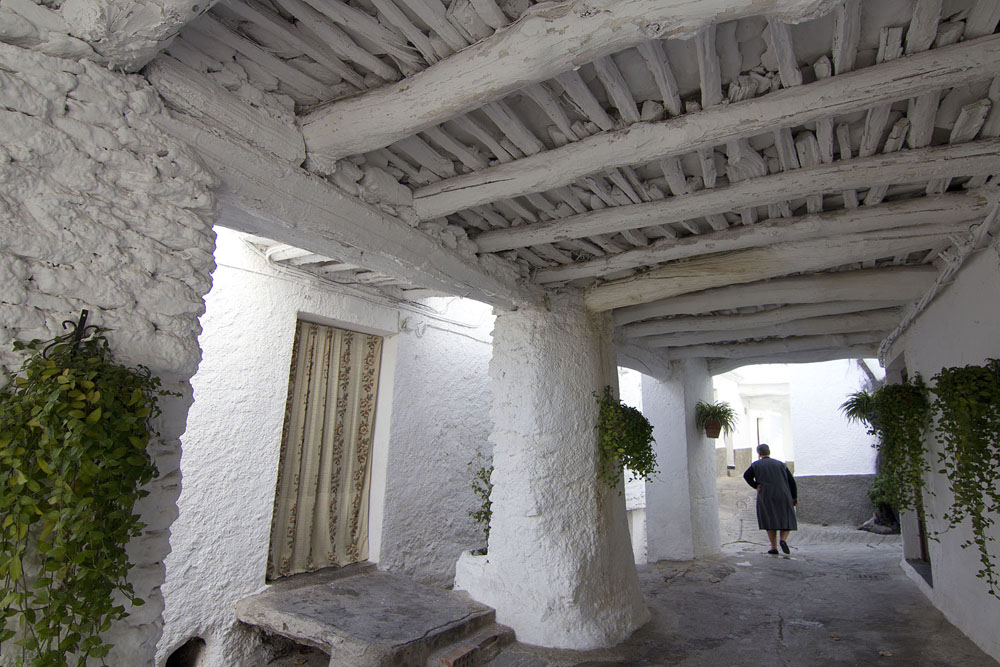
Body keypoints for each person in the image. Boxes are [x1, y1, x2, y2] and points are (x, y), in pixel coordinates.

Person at [743, 443, 798, 554]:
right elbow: (791, 481)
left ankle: (773, 547)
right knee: (786, 517)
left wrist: (756, 485)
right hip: (783, 494)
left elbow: (746, 475)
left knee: (769, 519)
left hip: (766, 495)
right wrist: (794, 497)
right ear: (769, 452)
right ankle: (783, 540)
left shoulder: (756, 465)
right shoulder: (781, 464)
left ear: (759, 454)